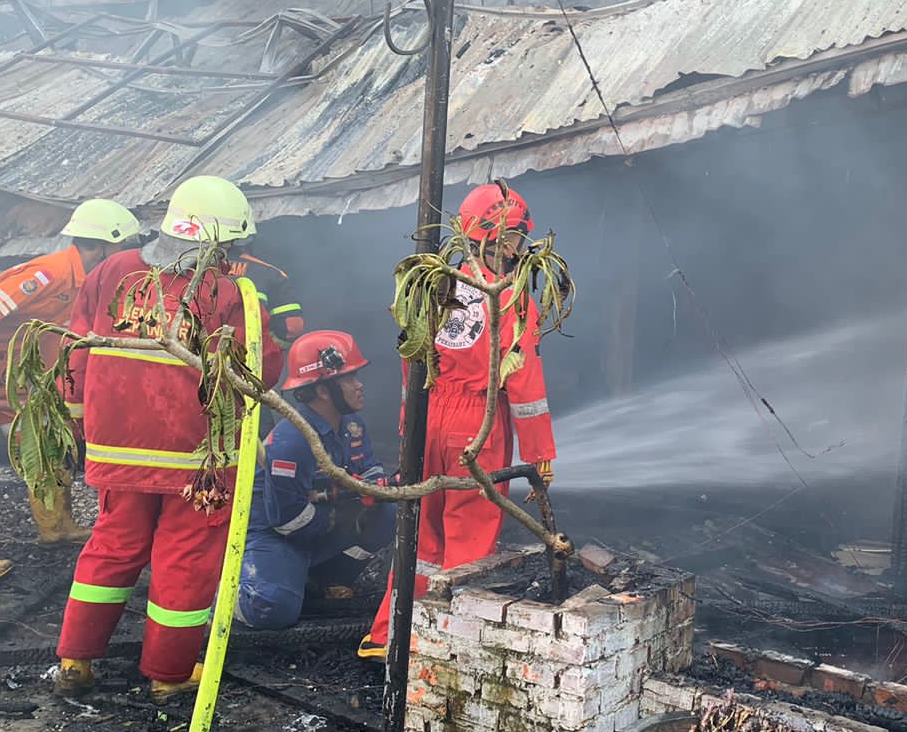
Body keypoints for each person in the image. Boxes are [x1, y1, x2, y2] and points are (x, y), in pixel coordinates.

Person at [53, 176, 282, 701]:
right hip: (196, 458)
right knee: (187, 556)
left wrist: (75, 417)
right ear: (222, 244)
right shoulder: (227, 291)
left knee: (112, 546)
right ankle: (168, 673)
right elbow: (259, 370)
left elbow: (77, 344)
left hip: (117, 450)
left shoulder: (112, 270)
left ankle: (75, 660)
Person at [361, 181, 557, 660]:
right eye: (515, 238)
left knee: (421, 536)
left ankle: (387, 635)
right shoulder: (511, 300)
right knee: (468, 541)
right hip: (478, 427)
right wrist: (539, 456)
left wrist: (411, 432)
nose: (519, 249)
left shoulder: (435, 286)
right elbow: (525, 388)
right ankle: (440, 649)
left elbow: (413, 364)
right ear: (499, 238)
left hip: (430, 419)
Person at [0, 199, 142, 583]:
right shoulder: (47, 274)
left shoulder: (90, 283)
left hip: (16, 378)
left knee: (45, 447)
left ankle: (56, 527)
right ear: (101, 246)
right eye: (125, 248)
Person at [236, 330, 394, 630]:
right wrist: (341, 515)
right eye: (349, 379)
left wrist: (377, 491)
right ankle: (233, 592)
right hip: (274, 535)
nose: (359, 385)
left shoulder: (351, 426)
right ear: (323, 391)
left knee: (387, 514)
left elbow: (370, 471)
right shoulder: (291, 440)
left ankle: (323, 580)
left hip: (318, 522)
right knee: (271, 609)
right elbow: (287, 520)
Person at [226, 249, 304, 350]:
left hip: (203, 358)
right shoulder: (271, 274)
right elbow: (292, 327)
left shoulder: (201, 268)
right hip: (251, 360)